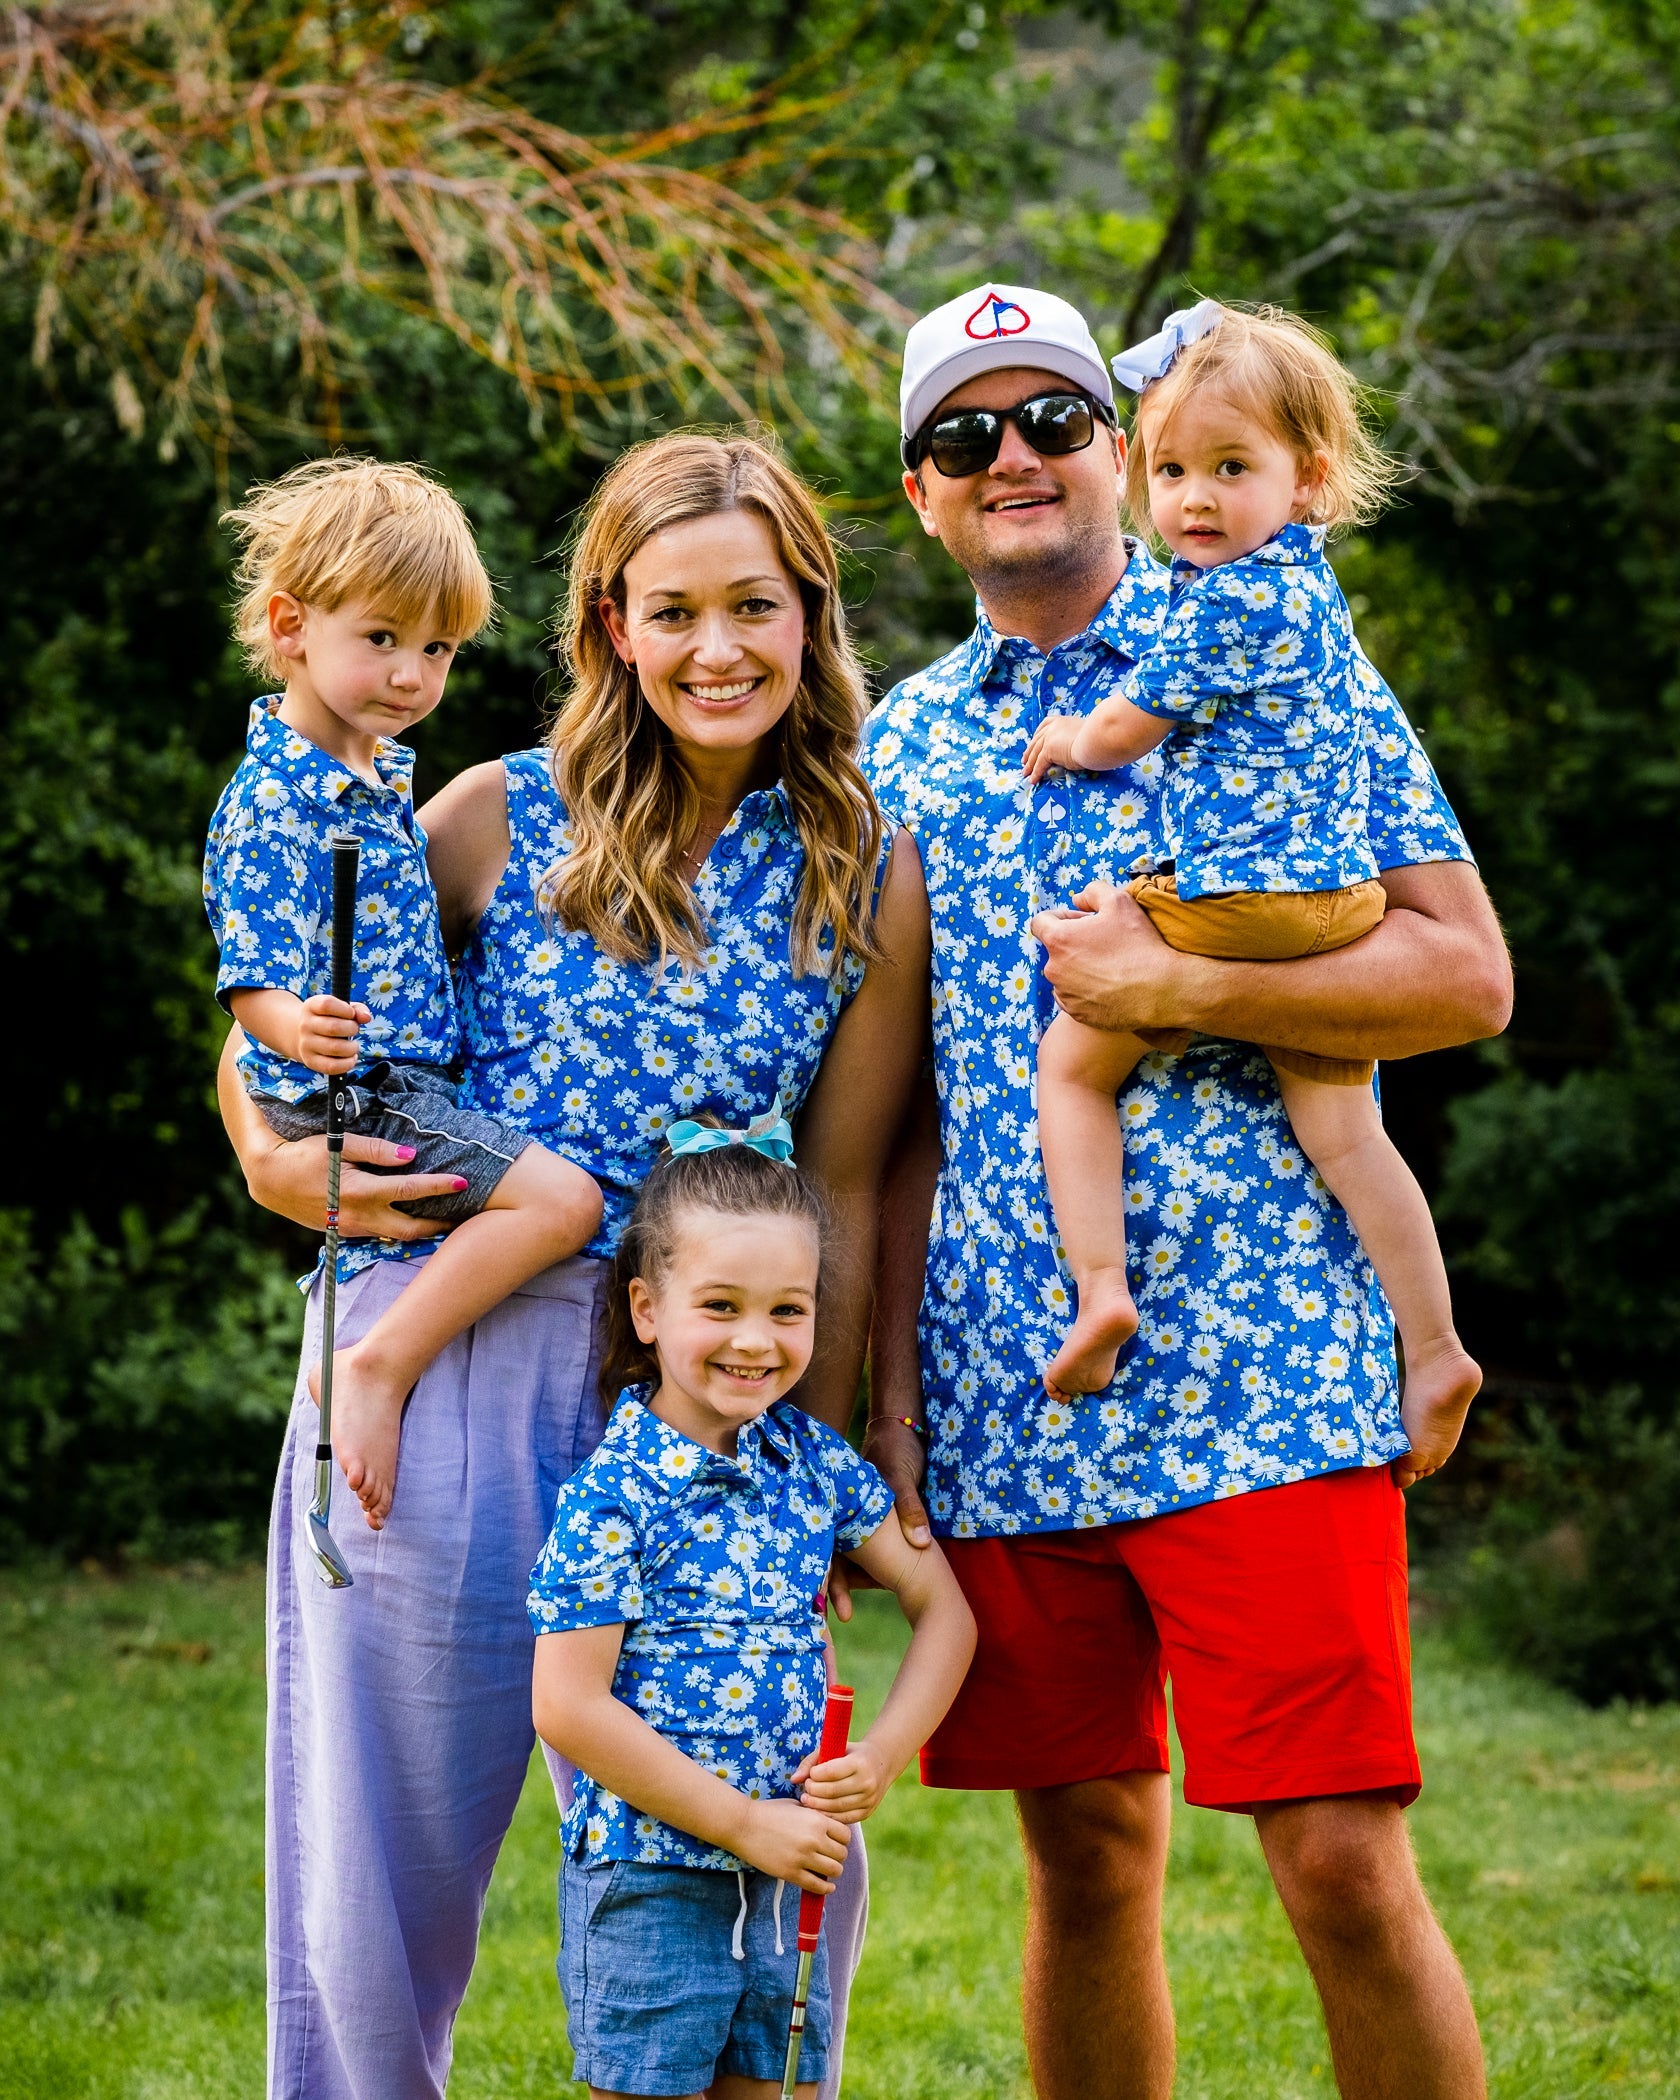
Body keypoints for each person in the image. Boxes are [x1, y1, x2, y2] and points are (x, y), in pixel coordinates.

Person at [854, 281, 1513, 2100]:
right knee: (1085, 1853)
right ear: (921, 492)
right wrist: (888, 1399)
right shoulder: (901, 748)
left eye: (1051, 417)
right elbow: (894, 1110)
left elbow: (1466, 976)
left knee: (1340, 1864)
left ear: (1118, 450)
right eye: (962, 435)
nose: (1014, 458)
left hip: (1270, 1366)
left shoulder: (1285, 641)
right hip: (1013, 1386)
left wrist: (1188, 990)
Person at [217, 432, 932, 2100]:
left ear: (809, 616)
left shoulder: (866, 872)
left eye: (754, 605)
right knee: (376, 1871)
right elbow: (298, 1011)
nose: (716, 649)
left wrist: (803, 1474)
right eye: (670, 609)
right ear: (612, 624)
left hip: (707, 1397)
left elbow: (838, 1184)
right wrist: (259, 1147)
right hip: (448, 1358)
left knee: (748, 1869)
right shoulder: (489, 814)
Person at [1021, 301, 1480, 1472]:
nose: (1196, 501)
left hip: (1248, 902)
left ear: (1309, 478)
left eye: (1232, 468)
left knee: (1071, 1062)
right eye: (1173, 469)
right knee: (1342, 1128)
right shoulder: (1312, 591)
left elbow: (1126, 728)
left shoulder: (1220, 601)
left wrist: (1071, 738)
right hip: (1335, 908)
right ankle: (1433, 1344)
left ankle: (1103, 1290)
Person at [530, 1123, 974, 2100]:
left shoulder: (812, 1470)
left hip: (785, 1882)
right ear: (647, 1307)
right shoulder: (614, 1497)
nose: (755, 1340)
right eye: (720, 1306)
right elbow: (568, 1708)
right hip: (650, 1882)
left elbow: (945, 1608)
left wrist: (881, 1759)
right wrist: (739, 1822)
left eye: (789, 1310)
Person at [206, 456, 604, 1526]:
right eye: (381, 639)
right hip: (361, 1084)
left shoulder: (378, 776)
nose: (412, 674)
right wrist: (299, 1025)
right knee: (564, 1202)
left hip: (397, 1074)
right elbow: (247, 968)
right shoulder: (275, 798)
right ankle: (373, 1366)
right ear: (292, 626)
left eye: (434, 649)